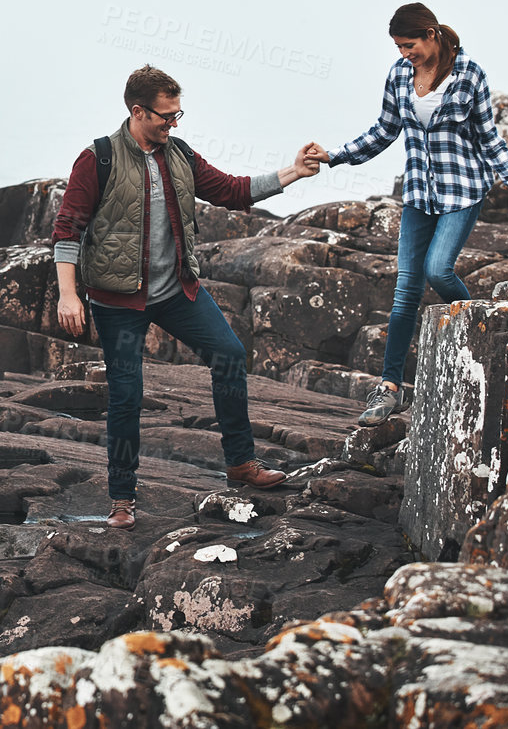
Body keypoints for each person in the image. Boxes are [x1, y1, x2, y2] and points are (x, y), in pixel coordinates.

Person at [51, 65, 321, 531]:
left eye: (178, 114)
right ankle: (122, 498)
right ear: (138, 112)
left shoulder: (179, 154)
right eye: (165, 116)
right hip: (118, 301)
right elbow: (67, 230)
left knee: (230, 355)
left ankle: (240, 464)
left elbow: (233, 191)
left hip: (177, 290)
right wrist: (68, 295)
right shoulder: (97, 159)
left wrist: (293, 171)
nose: (174, 124)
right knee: (126, 397)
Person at [312, 3, 508, 428]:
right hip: (419, 193)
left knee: (438, 270)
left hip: (463, 190)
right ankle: (389, 388)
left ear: (431, 35)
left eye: (409, 45)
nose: (403, 54)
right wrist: (335, 156)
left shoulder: (469, 73)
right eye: (398, 47)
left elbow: (489, 138)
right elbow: (384, 130)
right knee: (405, 290)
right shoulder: (399, 75)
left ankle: (486, 326)